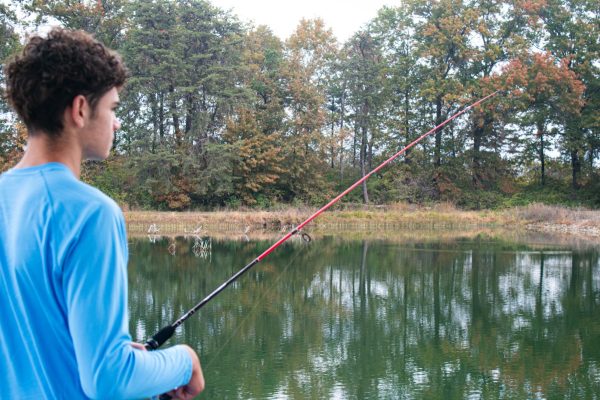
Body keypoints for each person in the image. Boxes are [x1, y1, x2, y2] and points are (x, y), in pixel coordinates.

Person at [0, 28, 204, 399]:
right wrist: (183, 360)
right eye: (112, 108)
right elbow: (107, 380)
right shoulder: (91, 214)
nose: (117, 122)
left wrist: (126, 360)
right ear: (80, 110)